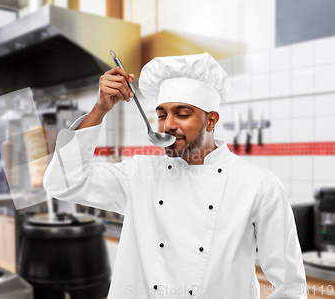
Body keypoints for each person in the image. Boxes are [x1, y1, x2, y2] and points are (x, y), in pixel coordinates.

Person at [43, 52, 307, 298]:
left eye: (182, 114)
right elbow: (64, 183)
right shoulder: (141, 174)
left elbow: (291, 287)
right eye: (161, 115)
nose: (168, 125)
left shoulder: (258, 186)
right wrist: (100, 109)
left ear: (211, 120)